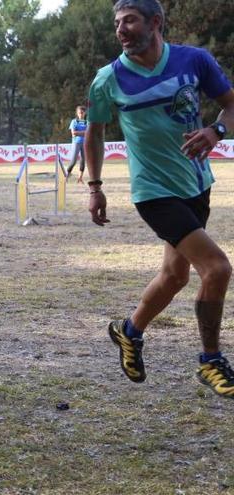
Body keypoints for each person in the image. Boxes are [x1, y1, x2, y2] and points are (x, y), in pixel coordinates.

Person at [85, 0, 234, 398]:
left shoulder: (194, 61)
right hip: (154, 192)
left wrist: (216, 130)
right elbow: (94, 132)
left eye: (129, 20)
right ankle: (210, 360)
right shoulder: (108, 79)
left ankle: (128, 331)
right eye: (117, 22)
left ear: (155, 22)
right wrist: (95, 187)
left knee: (175, 276)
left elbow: (231, 104)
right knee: (217, 269)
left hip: (197, 184)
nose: (121, 29)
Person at [65, 106, 87, 183]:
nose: (81, 114)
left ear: (85, 113)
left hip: (85, 143)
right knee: (73, 161)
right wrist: (84, 133)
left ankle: (80, 178)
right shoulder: (74, 121)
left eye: (82, 113)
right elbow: (73, 133)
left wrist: (79, 133)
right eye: (79, 113)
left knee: (83, 160)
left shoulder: (87, 122)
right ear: (77, 113)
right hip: (76, 142)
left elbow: (89, 133)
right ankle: (66, 175)